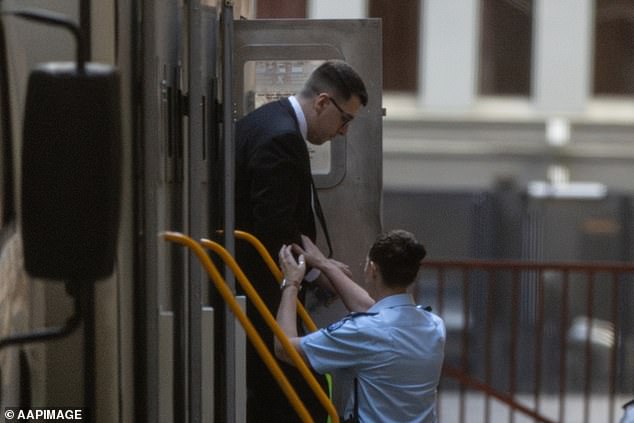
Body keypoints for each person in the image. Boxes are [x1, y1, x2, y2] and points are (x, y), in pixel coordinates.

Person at [234, 60, 368, 422]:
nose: (343, 132)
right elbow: (273, 227)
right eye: (345, 120)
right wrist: (313, 272)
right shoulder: (282, 138)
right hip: (262, 290)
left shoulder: (269, 121)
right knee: (296, 399)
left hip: (255, 286)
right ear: (322, 102)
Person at [275, 230, 446, 423]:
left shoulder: (363, 330)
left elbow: (285, 349)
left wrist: (291, 283)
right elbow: (373, 310)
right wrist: (324, 265)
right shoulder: (435, 325)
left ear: (372, 269)